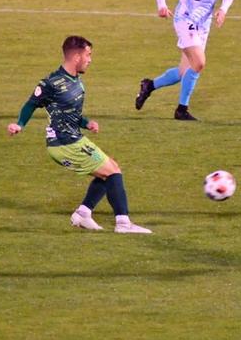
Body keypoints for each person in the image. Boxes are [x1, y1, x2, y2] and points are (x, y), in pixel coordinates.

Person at [8, 35, 152, 234]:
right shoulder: (52, 82)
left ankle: (83, 214)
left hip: (74, 138)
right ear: (76, 56)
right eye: (88, 55)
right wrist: (19, 124)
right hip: (64, 144)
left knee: (110, 167)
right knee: (112, 172)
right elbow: (31, 103)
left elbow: (70, 113)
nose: (90, 59)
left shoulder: (76, 81)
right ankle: (123, 223)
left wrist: (87, 123)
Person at [135, 0, 236, 121]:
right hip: (184, 19)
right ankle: (182, 109)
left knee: (184, 72)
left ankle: (149, 85)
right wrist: (162, 5)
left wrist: (223, 9)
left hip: (203, 23)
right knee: (199, 63)